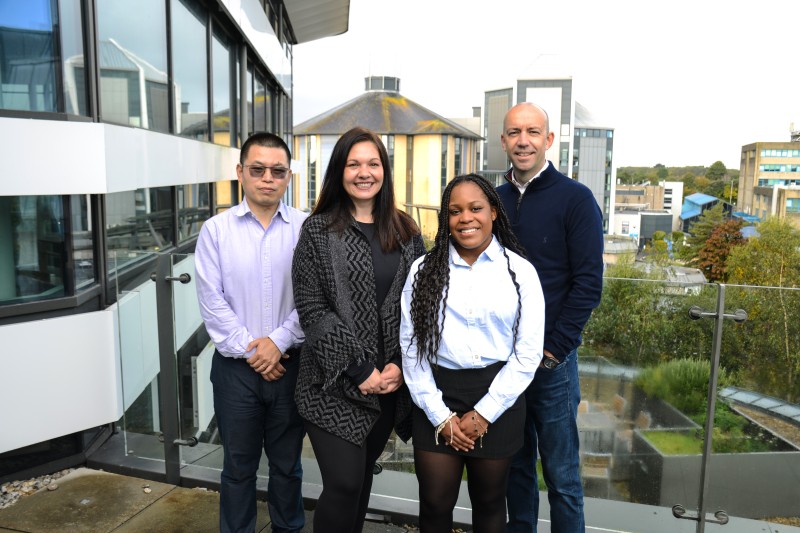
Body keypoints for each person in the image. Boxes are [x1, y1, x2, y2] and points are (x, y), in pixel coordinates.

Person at [291, 126, 427, 533]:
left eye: (373, 163)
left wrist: (400, 366)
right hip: (331, 383)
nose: (364, 172)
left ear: (384, 170)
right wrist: (358, 368)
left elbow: (420, 304)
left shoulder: (406, 231)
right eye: (354, 164)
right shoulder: (318, 230)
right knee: (344, 483)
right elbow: (310, 305)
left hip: (387, 383)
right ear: (340, 171)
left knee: (363, 478)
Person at [400, 174, 546, 533]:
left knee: (490, 505)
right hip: (436, 393)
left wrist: (484, 414)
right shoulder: (423, 270)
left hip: (498, 395)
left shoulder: (520, 272)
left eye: (476, 208)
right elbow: (411, 349)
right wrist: (440, 417)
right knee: (434, 505)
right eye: (455, 211)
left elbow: (527, 355)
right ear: (446, 219)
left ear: (494, 212)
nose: (466, 218)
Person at [499, 102, 604, 533]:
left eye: (532, 132)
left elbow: (588, 285)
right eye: (514, 132)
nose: (523, 140)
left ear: (548, 140)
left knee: (562, 477)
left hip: (551, 363)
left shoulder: (575, 199)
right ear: (503, 140)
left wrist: (553, 349)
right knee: (515, 470)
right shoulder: (492, 200)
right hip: (502, 363)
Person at [195, 132, 306, 533]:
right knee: (237, 469)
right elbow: (212, 302)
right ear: (240, 172)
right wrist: (256, 352)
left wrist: (277, 343)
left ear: (288, 176)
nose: (267, 178)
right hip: (235, 373)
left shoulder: (306, 229)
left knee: (288, 467)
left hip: (291, 366)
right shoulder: (215, 231)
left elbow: (314, 302)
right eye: (257, 169)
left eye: (277, 171)